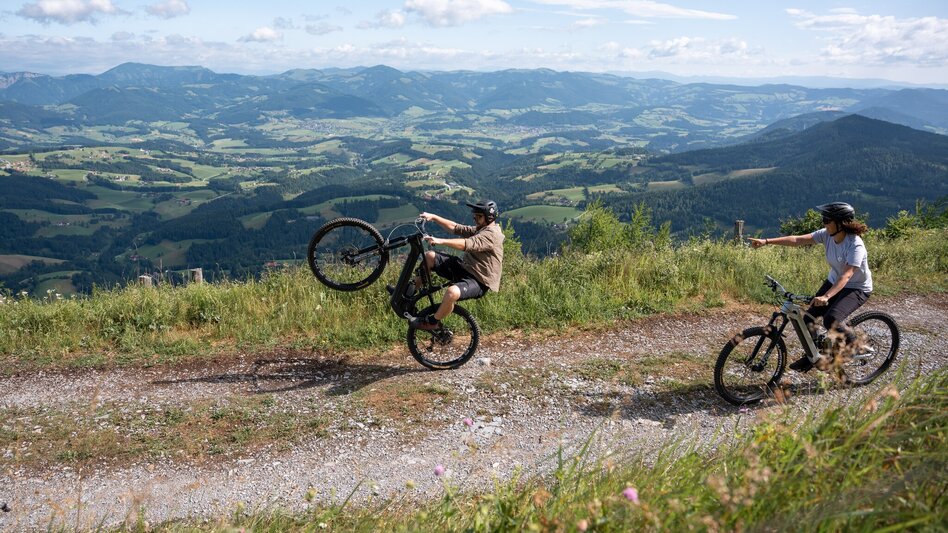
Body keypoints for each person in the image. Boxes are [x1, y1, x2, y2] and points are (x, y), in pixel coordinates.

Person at [748, 202, 873, 372]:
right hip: (834, 281)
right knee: (808, 319)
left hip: (856, 287)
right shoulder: (827, 235)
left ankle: (855, 344)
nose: (823, 222)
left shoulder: (855, 245)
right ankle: (814, 357)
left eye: (827, 219)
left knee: (832, 319)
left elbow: (847, 275)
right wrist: (766, 241)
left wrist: (827, 297)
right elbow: (797, 240)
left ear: (840, 222)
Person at [406, 200, 505, 331]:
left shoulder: (492, 234)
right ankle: (409, 297)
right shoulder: (481, 229)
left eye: (479, 216)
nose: (475, 218)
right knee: (430, 257)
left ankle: (433, 322)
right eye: (474, 215)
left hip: (479, 281)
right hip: (465, 268)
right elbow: (456, 228)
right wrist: (434, 217)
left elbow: (466, 244)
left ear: (489, 217)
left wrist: (440, 240)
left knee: (451, 293)